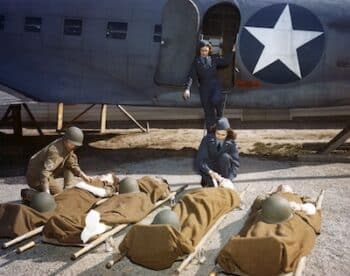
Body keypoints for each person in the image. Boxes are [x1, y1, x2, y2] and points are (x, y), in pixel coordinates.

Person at [183, 40, 234, 131]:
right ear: (199, 50)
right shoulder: (196, 62)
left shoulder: (214, 59)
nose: (204, 53)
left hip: (215, 86)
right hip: (204, 88)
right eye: (202, 50)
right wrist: (187, 89)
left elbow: (226, 62)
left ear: (209, 50)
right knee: (208, 112)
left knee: (216, 100)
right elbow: (191, 75)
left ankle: (219, 116)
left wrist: (233, 51)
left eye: (206, 50)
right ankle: (210, 134)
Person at [25, 126, 92, 195]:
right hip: (36, 177)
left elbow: (72, 164)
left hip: (49, 172)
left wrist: (84, 176)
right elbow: (44, 173)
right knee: (58, 194)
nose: (75, 147)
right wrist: (46, 192)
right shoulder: (54, 151)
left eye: (76, 145)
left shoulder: (67, 146)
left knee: (69, 167)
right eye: (73, 144)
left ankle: (67, 188)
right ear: (67, 141)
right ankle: (30, 194)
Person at [195, 117, 239, 187]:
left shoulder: (231, 143)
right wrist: (210, 172)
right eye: (218, 134)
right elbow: (200, 160)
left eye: (223, 135)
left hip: (223, 172)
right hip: (209, 171)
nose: (220, 137)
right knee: (212, 189)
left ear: (228, 133)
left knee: (225, 157)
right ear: (215, 131)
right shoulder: (206, 140)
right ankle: (207, 181)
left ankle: (223, 181)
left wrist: (229, 180)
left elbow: (235, 164)